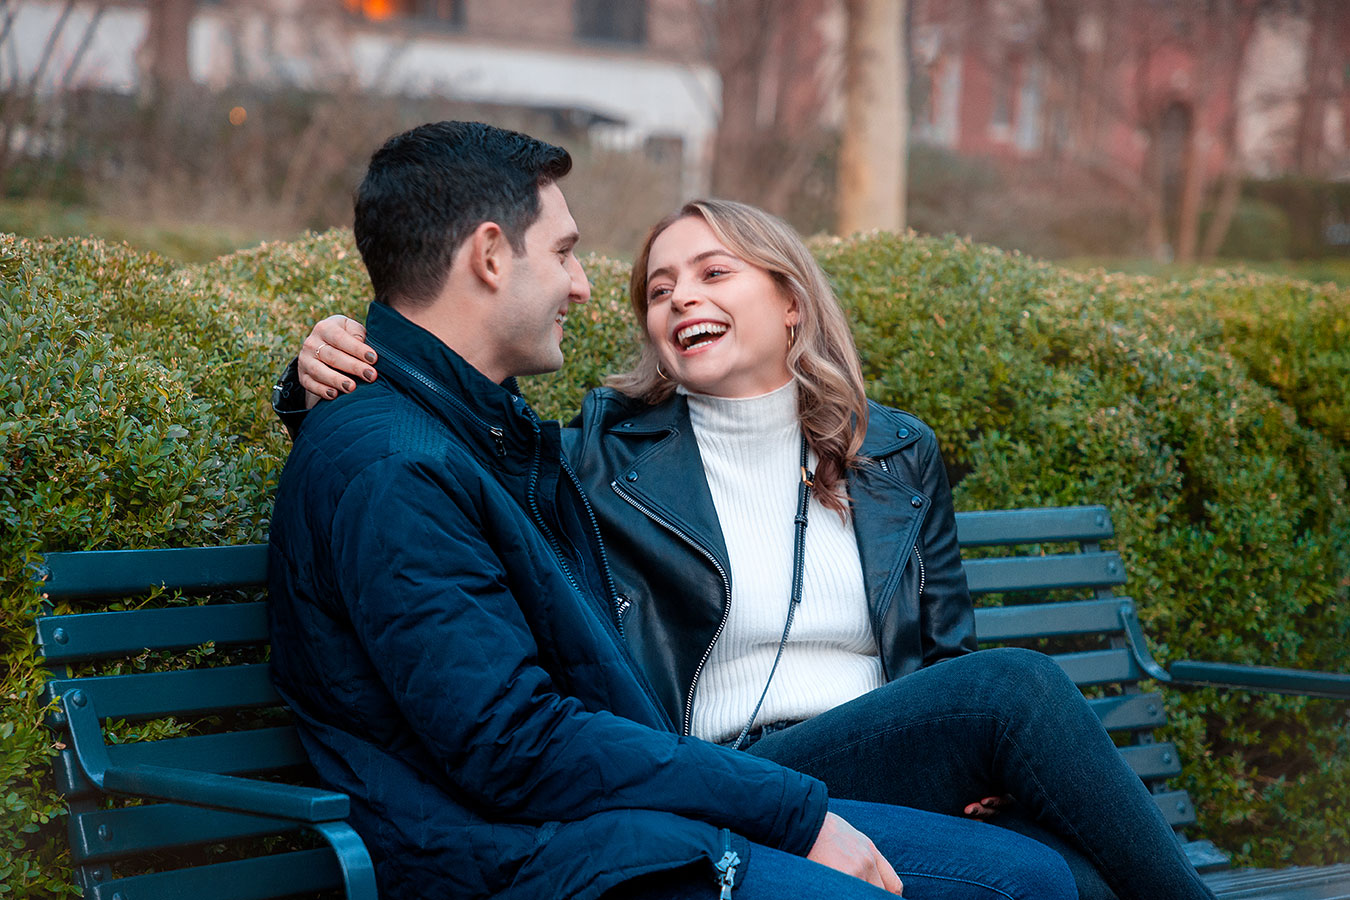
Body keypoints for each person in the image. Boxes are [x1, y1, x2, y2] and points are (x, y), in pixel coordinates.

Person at [267, 120, 1078, 900]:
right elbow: (511, 744)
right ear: (488, 255)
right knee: (1008, 732)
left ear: (794, 301)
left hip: (641, 815)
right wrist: (788, 813)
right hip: (550, 854)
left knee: (1033, 873)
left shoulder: (482, 435)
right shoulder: (413, 461)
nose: (584, 286)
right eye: (565, 253)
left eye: (715, 273)